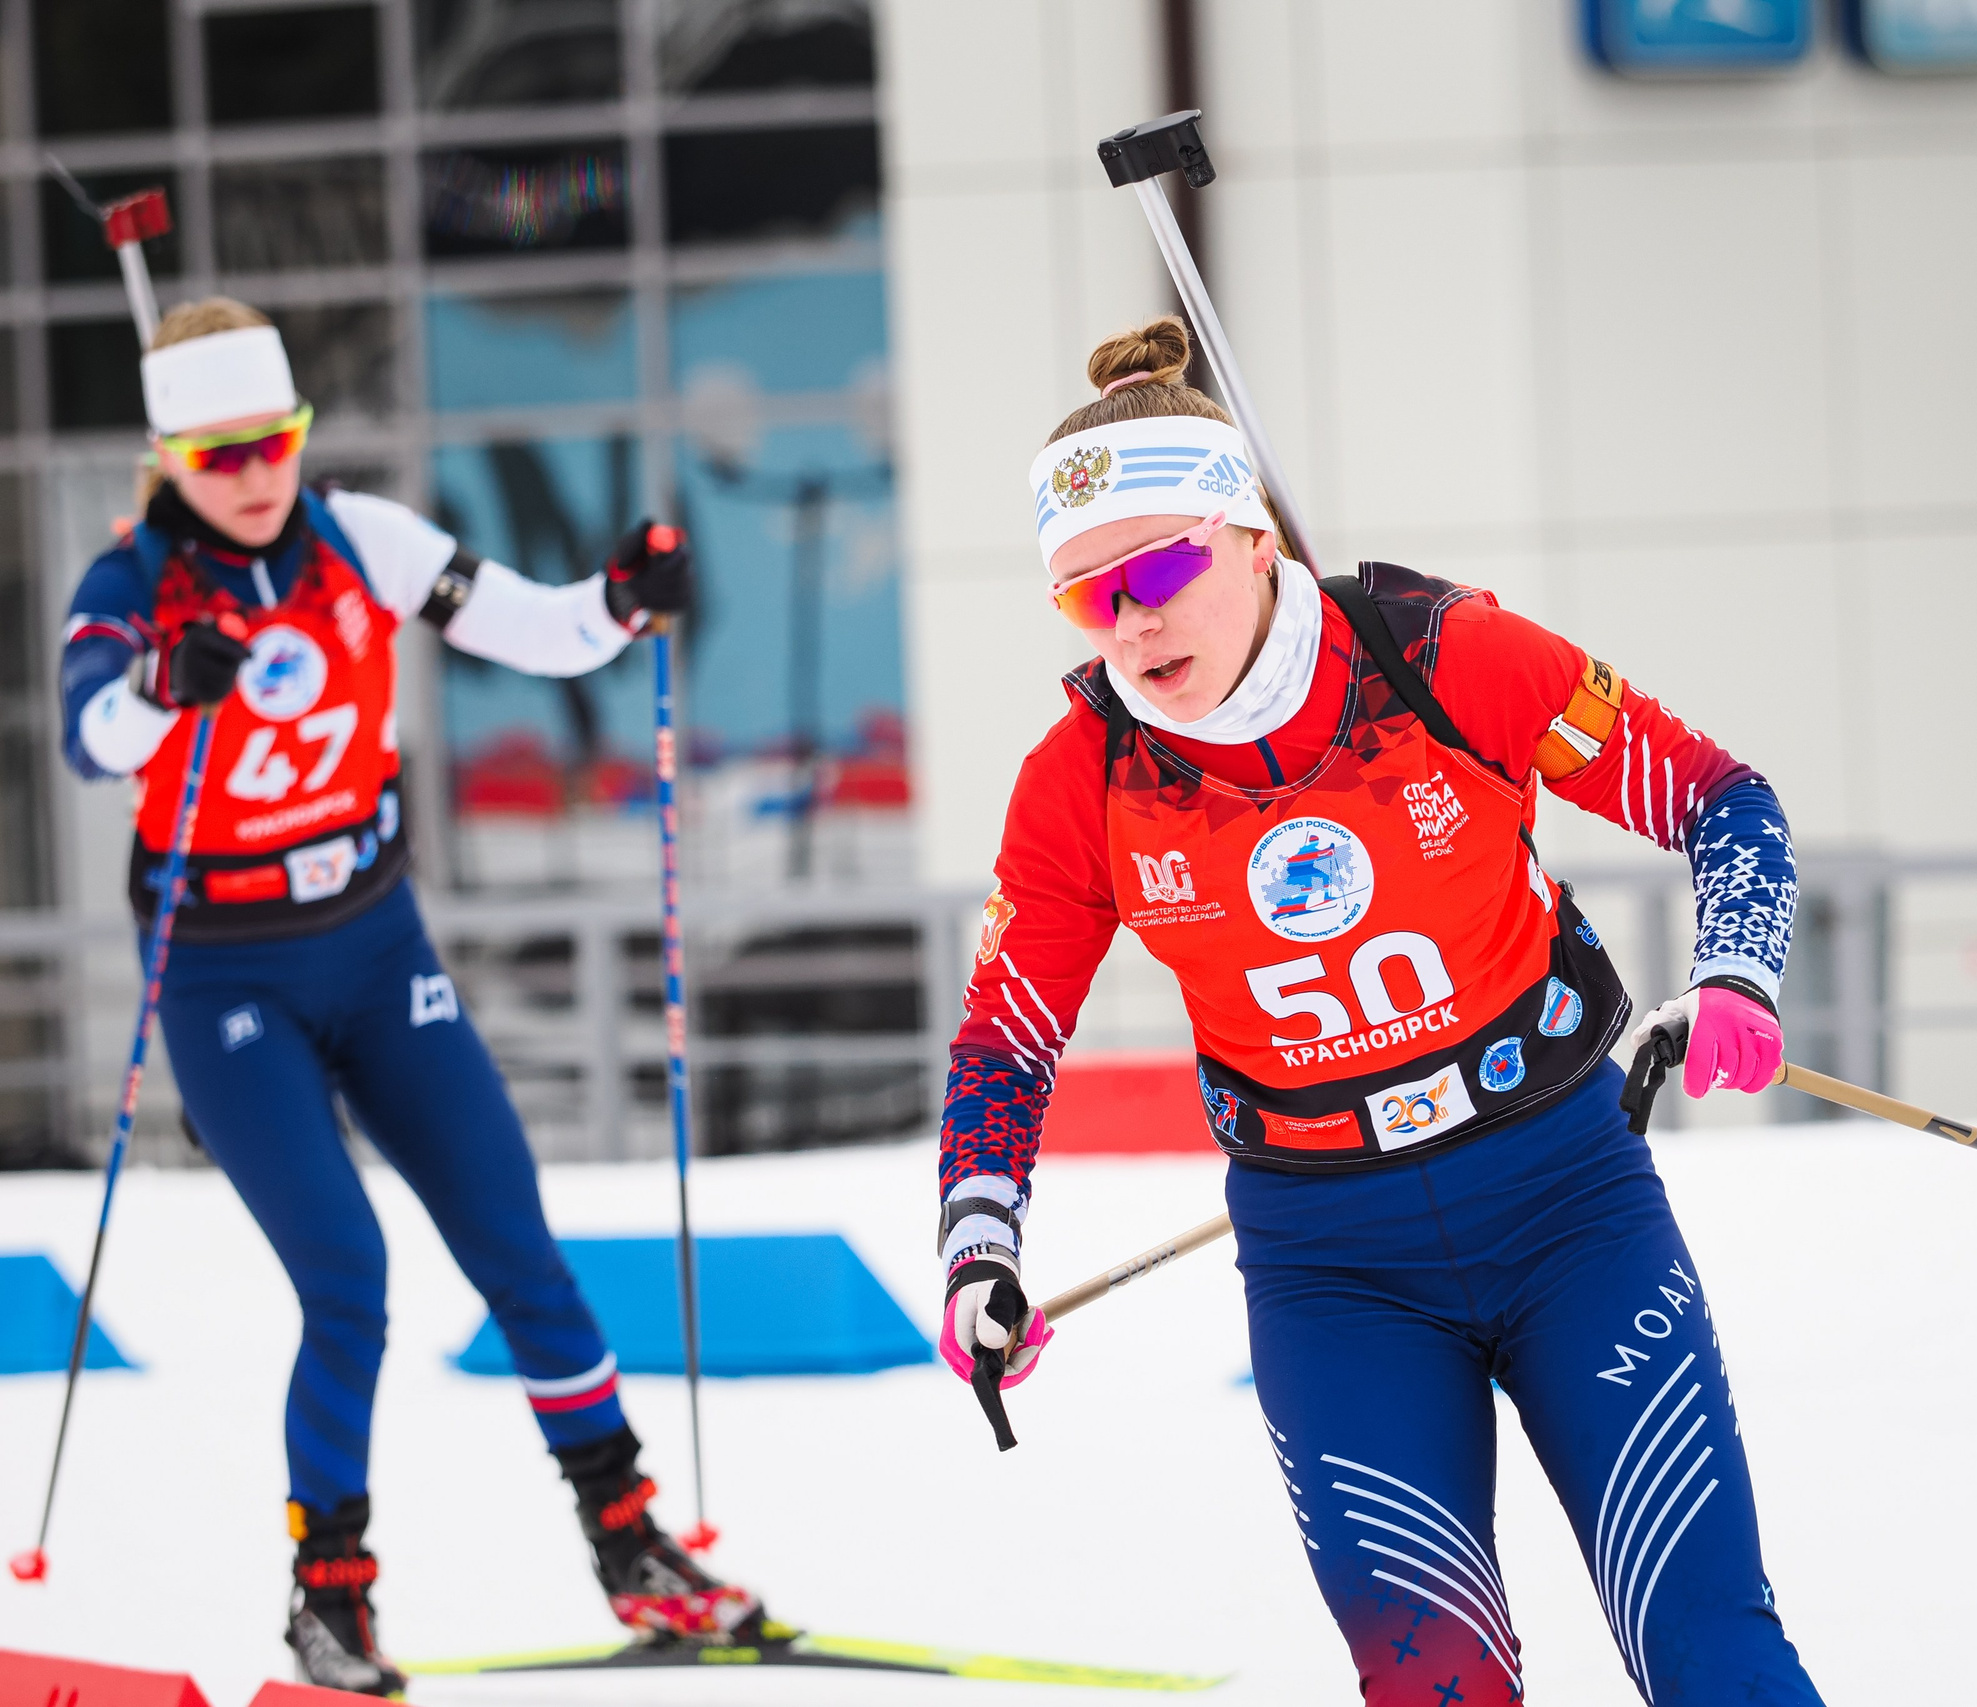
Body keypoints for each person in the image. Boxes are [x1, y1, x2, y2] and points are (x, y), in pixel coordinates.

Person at [934, 316, 1822, 1705]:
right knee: (1435, 1688)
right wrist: (977, 1249)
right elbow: (1006, 1037)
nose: (1132, 621)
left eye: (1159, 569)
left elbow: (1723, 803)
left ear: (1249, 537)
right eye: (1086, 597)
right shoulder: (1083, 780)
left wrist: (1737, 971)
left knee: (1712, 1654)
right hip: (1330, 1268)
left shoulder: (1436, 657)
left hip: (1566, 1204)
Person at [56, 298, 776, 1694]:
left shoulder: (362, 539)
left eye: (275, 442)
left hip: (379, 952)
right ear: (172, 459)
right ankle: (330, 1595)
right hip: (223, 977)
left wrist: (623, 599)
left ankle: (632, 1545)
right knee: (350, 1282)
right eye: (220, 456)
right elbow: (90, 738)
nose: (256, 476)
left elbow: (550, 631)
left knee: (518, 1245)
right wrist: (159, 684)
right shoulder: (133, 582)